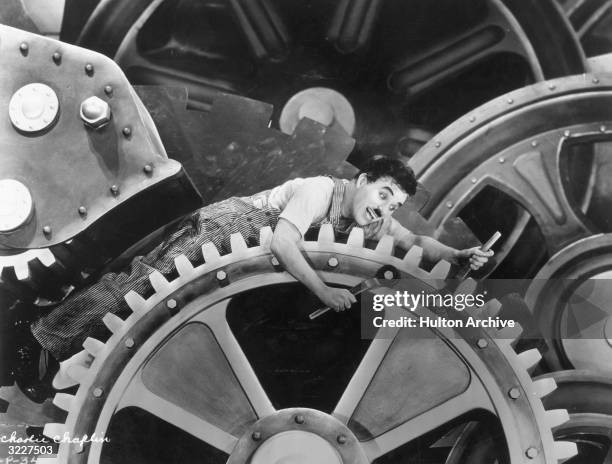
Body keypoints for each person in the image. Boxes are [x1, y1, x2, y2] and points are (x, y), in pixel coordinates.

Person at [13, 156, 492, 401]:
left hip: (242, 253)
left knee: (146, 310)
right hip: (229, 230)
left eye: (393, 205)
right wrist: (325, 289)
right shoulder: (322, 189)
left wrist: (458, 252)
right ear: (364, 179)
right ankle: (38, 340)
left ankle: (66, 362)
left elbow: (415, 244)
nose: (385, 209)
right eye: (383, 194)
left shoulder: (370, 216)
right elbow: (283, 243)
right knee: (137, 290)